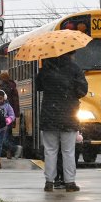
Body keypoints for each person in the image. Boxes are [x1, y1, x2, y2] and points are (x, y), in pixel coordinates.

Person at [37, 52, 88, 192]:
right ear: (70, 53)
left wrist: (43, 69)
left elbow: (38, 86)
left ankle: (49, 182)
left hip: (49, 115)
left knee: (50, 151)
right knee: (68, 151)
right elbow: (82, 91)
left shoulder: (46, 68)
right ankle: (70, 182)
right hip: (68, 116)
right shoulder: (75, 68)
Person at [0, 71, 21, 158]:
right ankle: (9, 153)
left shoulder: (3, 88)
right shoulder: (12, 87)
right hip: (11, 115)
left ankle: (15, 148)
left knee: (3, 138)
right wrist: (16, 114)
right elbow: (16, 102)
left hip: (4, 116)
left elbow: (0, 102)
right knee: (8, 136)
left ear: (2, 79)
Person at [0, 89, 16, 168]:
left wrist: (8, 120)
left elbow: (12, 115)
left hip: (4, 127)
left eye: (1, 98)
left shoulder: (7, 106)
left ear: (4, 98)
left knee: (0, 144)